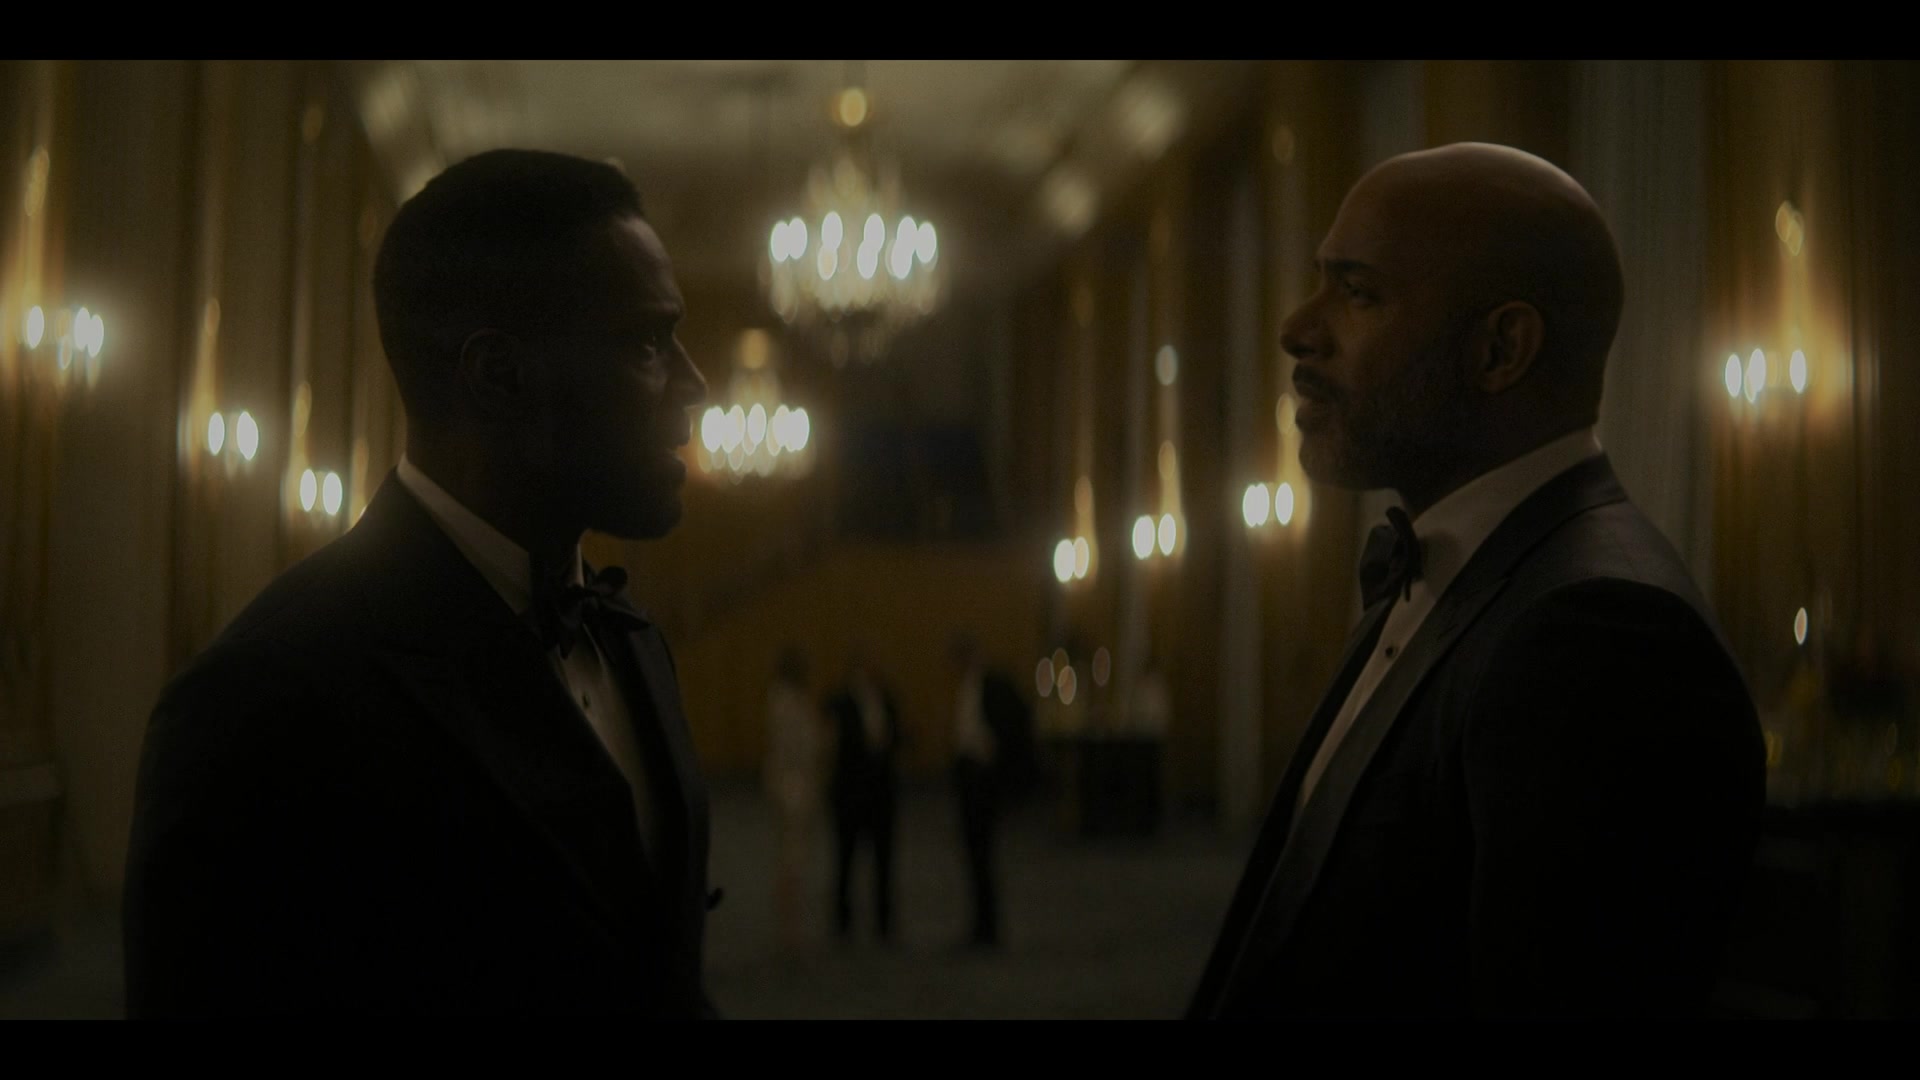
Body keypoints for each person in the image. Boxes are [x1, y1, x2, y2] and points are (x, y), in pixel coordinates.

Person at [124, 149, 718, 1017]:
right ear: (497, 375)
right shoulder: (262, 700)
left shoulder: (632, 640)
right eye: (647, 343)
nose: (695, 387)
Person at [1189, 143, 1765, 1019]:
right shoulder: (1467, 563)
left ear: (1500, 349)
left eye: (1357, 292)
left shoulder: (1598, 637)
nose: (1297, 328)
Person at [948, 632, 1033, 949]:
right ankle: (981, 924)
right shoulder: (969, 687)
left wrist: (996, 751)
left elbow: (1015, 721)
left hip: (984, 779)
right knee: (975, 855)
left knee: (983, 854)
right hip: (969, 776)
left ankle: (988, 926)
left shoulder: (994, 683)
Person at [824, 652, 902, 944]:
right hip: (851, 793)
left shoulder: (887, 699)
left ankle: (884, 922)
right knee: (845, 860)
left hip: (882, 793)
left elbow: (897, 735)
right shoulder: (840, 701)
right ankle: (843, 922)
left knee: (884, 861)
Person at [764, 645, 823, 952]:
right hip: (792, 784)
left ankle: (791, 928)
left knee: (791, 858)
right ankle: (789, 931)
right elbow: (796, 747)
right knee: (792, 859)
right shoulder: (787, 702)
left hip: (791, 782)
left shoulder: (785, 699)